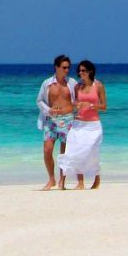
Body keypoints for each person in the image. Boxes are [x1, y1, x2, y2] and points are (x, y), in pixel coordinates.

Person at [58, 60, 106, 189]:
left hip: (93, 126)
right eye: (79, 71)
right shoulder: (77, 87)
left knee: (92, 152)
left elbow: (104, 106)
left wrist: (91, 105)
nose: (81, 73)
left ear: (90, 71)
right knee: (75, 152)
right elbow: (73, 104)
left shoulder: (99, 86)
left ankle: (97, 179)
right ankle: (80, 182)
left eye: (83, 70)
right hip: (78, 124)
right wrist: (75, 105)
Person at [36, 55, 76, 191]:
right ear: (56, 67)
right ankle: (51, 179)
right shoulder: (47, 83)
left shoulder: (72, 83)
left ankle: (62, 181)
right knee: (47, 150)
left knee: (64, 153)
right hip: (51, 121)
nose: (67, 70)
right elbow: (39, 100)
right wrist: (48, 110)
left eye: (68, 68)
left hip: (68, 120)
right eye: (64, 67)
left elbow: (77, 101)